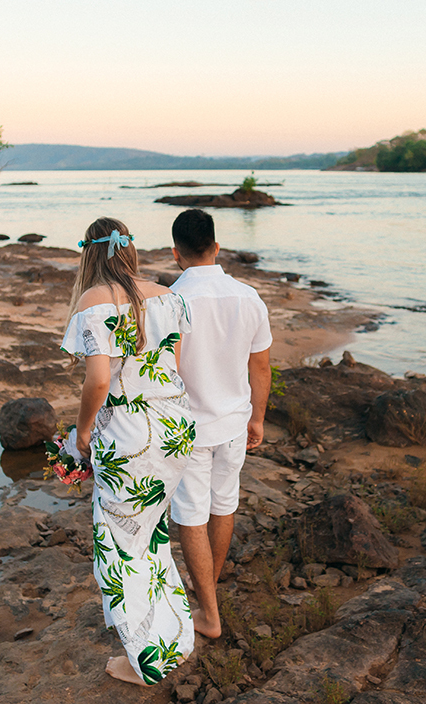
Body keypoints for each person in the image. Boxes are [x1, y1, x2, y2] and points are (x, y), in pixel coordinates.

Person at [60, 216, 196, 686]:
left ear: (89, 254)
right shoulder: (170, 296)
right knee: (151, 536)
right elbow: (173, 368)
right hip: (175, 428)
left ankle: (147, 664)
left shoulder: (93, 301)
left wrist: (81, 434)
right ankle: (172, 641)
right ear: (129, 251)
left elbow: (99, 379)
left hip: (130, 434)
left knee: (121, 548)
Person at [169, 209, 272, 639]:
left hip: (189, 427)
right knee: (223, 503)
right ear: (217, 247)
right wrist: (258, 419)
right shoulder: (249, 297)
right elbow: (262, 367)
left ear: (176, 254)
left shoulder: (170, 300)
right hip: (234, 421)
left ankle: (209, 614)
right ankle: (209, 594)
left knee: (191, 516)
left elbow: (164, 371)